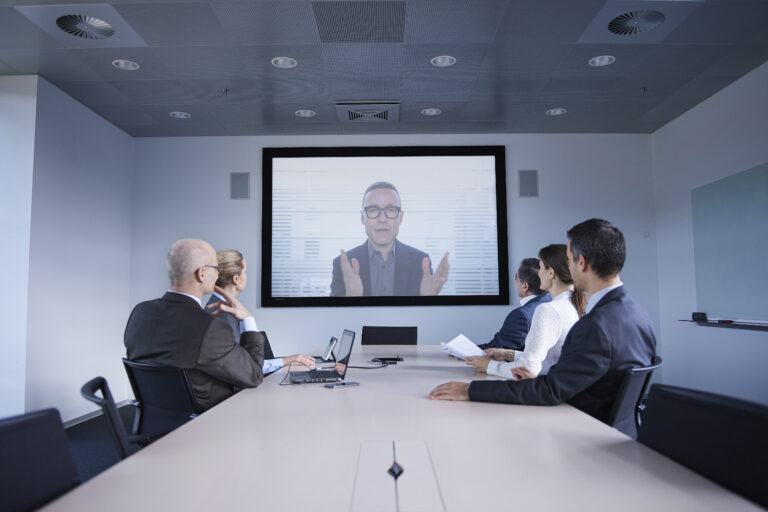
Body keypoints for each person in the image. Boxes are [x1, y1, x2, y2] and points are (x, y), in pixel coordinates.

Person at [429, 219, 657, 436]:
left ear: (582, 263)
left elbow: (550, 392)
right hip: (616, 434)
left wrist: (469, 391)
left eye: (568, 259)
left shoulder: (597, 326)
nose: (566, 266)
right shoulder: (637, 314)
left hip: (584, 436)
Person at [125, 239, 267, 412]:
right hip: (208, 425)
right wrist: (248, 319)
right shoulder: (208, 326)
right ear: (202, 274)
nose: (218, 275)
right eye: (217, 269)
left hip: (156, 420)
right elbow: (253, 375)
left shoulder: (140, 312)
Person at [466, 244, 585, 378]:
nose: (538, 273)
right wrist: (509, 354)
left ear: (551, 273)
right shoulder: (574, 304)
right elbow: (552, 359)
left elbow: (527, 369)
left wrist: (488, 366)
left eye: (540, 268)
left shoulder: (549, 310)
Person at [330, 181, 450, 297]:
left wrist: (428, 301)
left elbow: (425, 316)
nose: (382, 219)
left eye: (391, 210)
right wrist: (349, 299)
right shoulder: (343, 266)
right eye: (373, 210)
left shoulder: (420, 263)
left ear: (401, 217)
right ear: (362, 218)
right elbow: (334, 316)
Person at [206, 249, 315, 374]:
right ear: (236, 278)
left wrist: (286, 360)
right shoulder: (224, 317)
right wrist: (286, 360)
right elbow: (244, 368)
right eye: (245, 272)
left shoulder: (217, 306)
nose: (246, 276)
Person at [477, 258, 551, 351]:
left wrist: (464, 351)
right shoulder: (552, 303)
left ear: (525, 286)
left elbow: (497, 350)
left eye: (516, 278)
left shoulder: (521, 315)